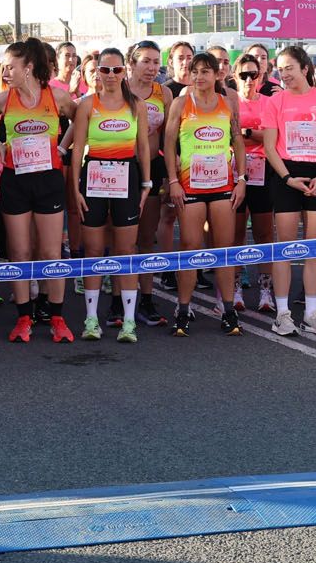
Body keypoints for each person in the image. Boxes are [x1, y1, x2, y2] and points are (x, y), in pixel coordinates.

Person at [0, 38, 78, 345]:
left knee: (50, 252)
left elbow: (78, 117)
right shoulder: (3, 99)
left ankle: (57, 318)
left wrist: (62, 146)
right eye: (3, 66)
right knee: (19, 252)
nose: (4, 72)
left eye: (10, 66)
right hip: (15, 180)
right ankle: (23, 318)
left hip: (48, 180)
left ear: (29, 67)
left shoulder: (56, 96)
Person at [65, 48, 148, 343]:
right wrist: (75, 187)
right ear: (97, 73)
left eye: (116, 70)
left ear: (124, 72)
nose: (111, 76)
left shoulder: (135, 105)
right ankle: (91, 319)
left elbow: (143, 148)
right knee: (94, 251)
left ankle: (128, 322)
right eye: (105, 70)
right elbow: (77, 150)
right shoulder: (87, 105)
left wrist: (146, 185)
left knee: (126, 251)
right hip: (94, 176)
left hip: (127, 176)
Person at [163, 51, 247, 335]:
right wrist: (173, 181)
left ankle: (227, 310)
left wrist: (242, 179)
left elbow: (237, 140)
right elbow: (169, 141)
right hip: (190, 186)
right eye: (194, 71)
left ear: (216, 74)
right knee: (190, 247)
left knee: (223, 250)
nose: (199, 76)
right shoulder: (180, 103)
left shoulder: (227, 103)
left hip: (223, 187)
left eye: (205, 71)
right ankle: (183, 309)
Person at [264, 46, 316, 336]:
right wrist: (287, 178)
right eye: (280, 69)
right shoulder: (275, 102)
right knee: (284, 247)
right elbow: (270, 146)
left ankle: (311, 312)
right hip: (287, 176)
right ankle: (282, 313)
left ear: (305, 68)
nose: (284, 74)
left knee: (314, 248)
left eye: (289, 68)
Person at [125, 40, 174, 325]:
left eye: (156, 62)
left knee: (146, 236)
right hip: (120, 165)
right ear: (131, 63)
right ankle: (120, 300)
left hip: (152, 168)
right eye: (145, 61)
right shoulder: (118, 88)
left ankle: (145, 298)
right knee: (121, 239)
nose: (152, 67)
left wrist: (169, 174)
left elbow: (169, 139)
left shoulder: (163, 92)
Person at [233, 52, 277, 314]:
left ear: (261, 76)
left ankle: (265, 290)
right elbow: (226, 136)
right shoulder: (229, 102)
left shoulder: (269, 102)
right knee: (235, 234)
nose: (249, 79)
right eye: (244, 75)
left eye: (254, 74)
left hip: (263, 171)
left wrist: (246, 133)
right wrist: (251, 136)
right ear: (235, 77)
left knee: (263, 234)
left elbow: (271, 136)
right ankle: (234, 288)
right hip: (234, 172)